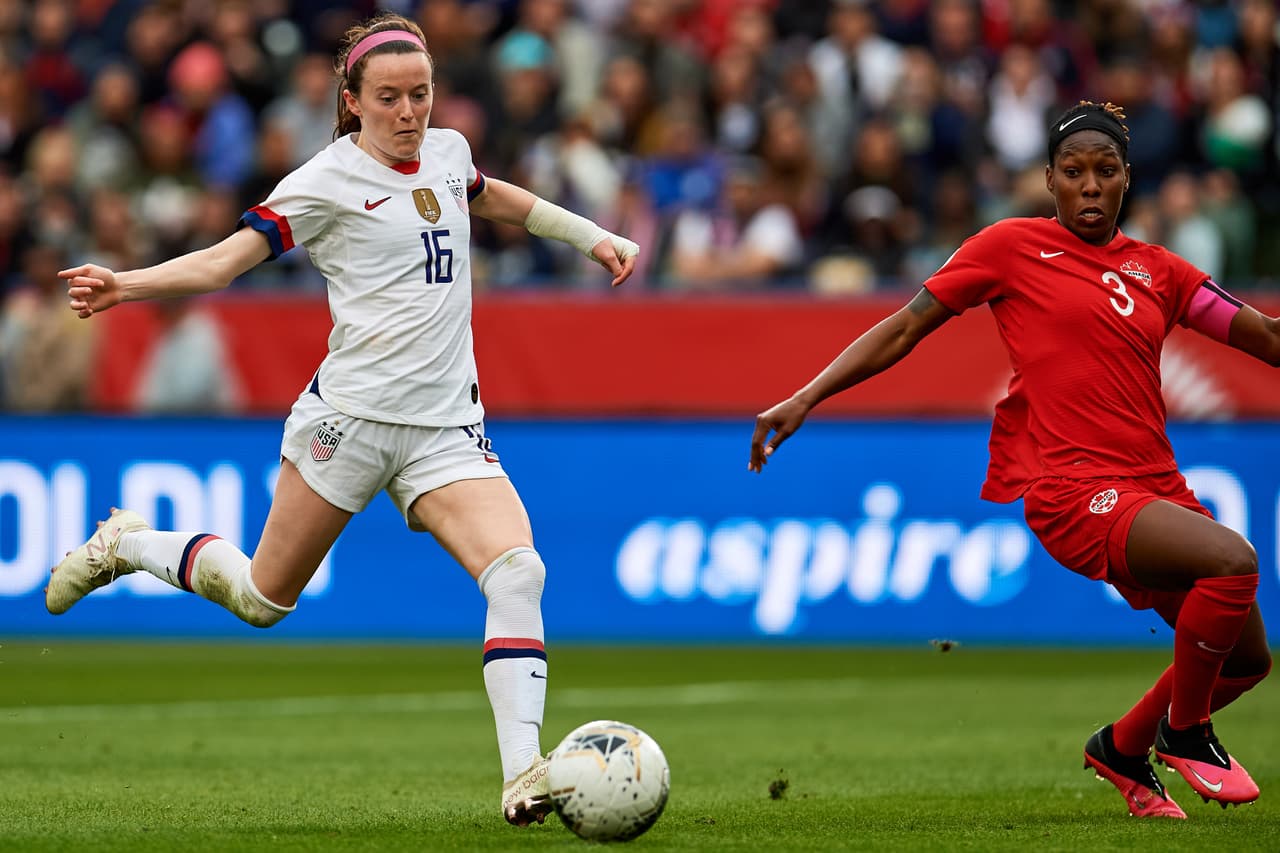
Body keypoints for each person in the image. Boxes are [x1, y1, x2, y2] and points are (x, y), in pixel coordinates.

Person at [47, 12, 638, 829]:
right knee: (261, 597)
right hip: (348, 424)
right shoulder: (322, 181)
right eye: (390, 97)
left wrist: (590, 234)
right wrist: (126, 285)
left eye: (422, 94)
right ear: (352, 101)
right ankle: (131, 543)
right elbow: (223, 262)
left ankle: (521, 772)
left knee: (518, 573)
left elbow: (487, 194)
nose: (409, 113)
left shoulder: (448, 151)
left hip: (443, 428)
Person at [748, 101, 1273, 819]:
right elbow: (906, 327)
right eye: (1074, 172)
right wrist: (807, 395)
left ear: (1128, 179)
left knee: (1245, 660)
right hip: (1072, 490)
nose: (1090, 186)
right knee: (1233, 560)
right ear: (1049, 180)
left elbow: (1265, 337)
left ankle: (1122, 745)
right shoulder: (1009, 246)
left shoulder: (1162, 272)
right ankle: (1185, 732)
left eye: (1106, 171)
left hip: (1156, 486)